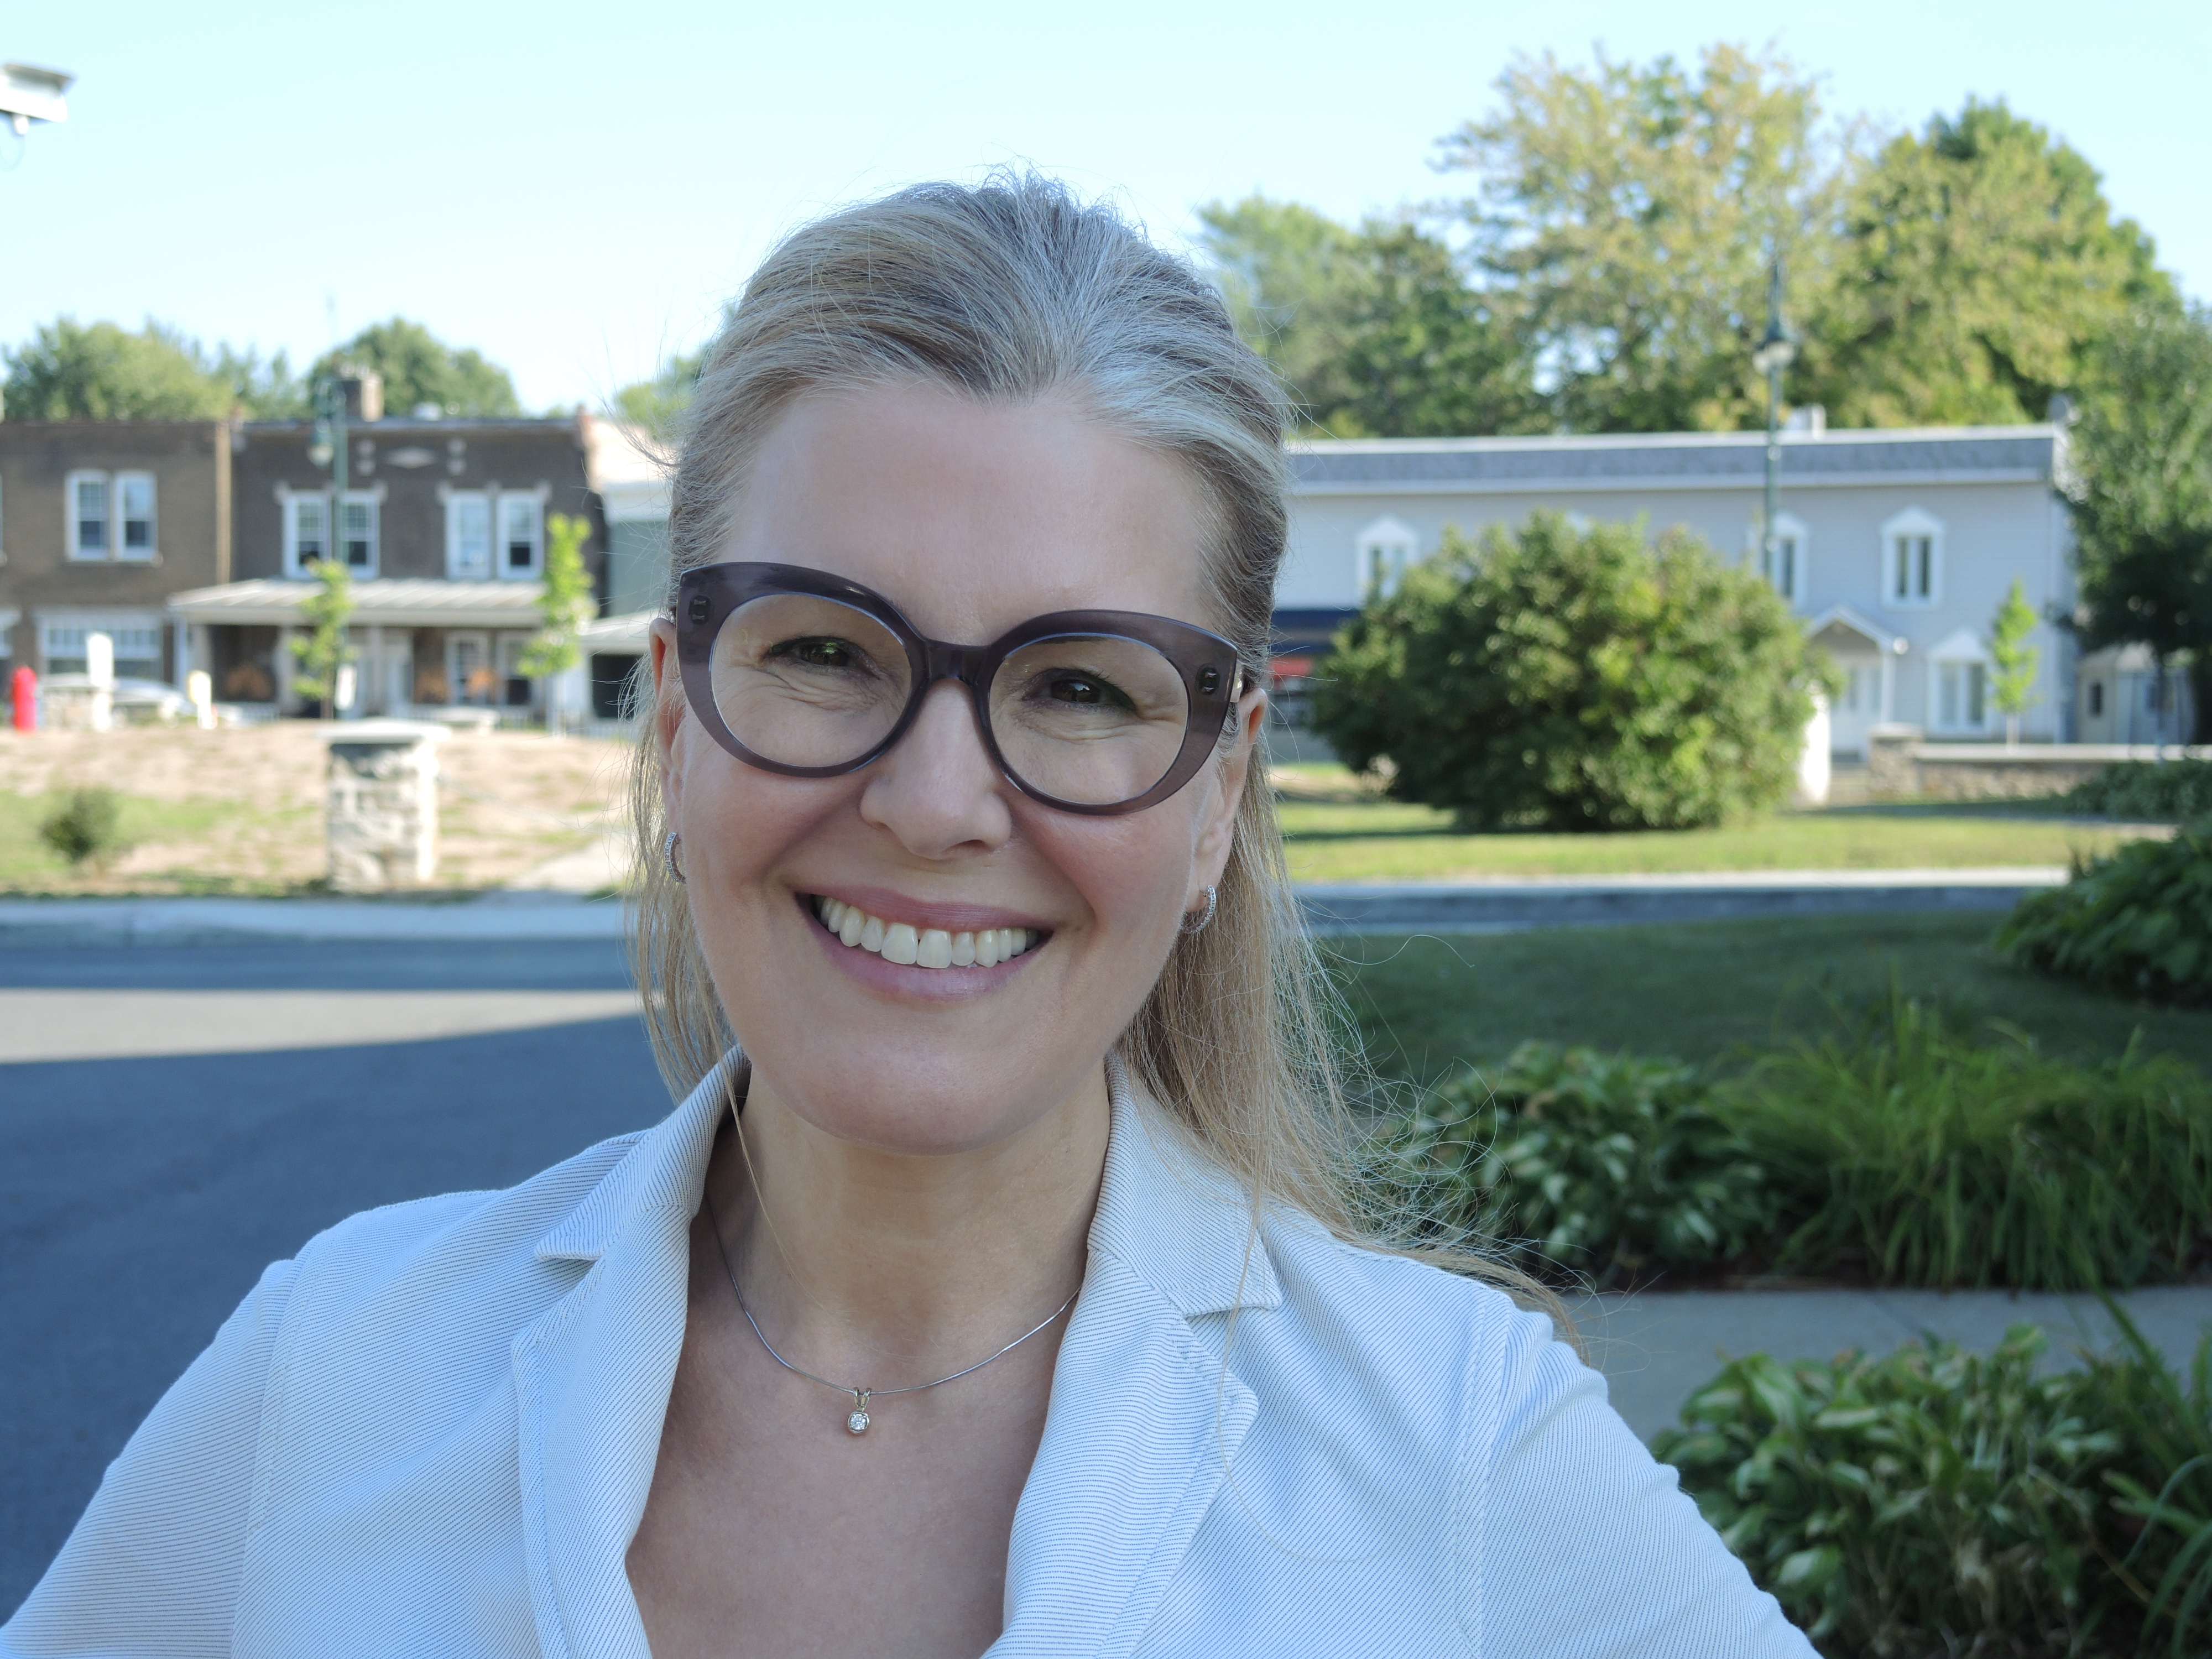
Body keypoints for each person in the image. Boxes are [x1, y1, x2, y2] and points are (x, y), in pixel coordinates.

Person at [3, 178, 1812, 1658]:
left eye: (1085, 688)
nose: (937, 802)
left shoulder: (1457, 1461)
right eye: (822, 651)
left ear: (1222, 795)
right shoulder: (335, 1370)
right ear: (671, 712)